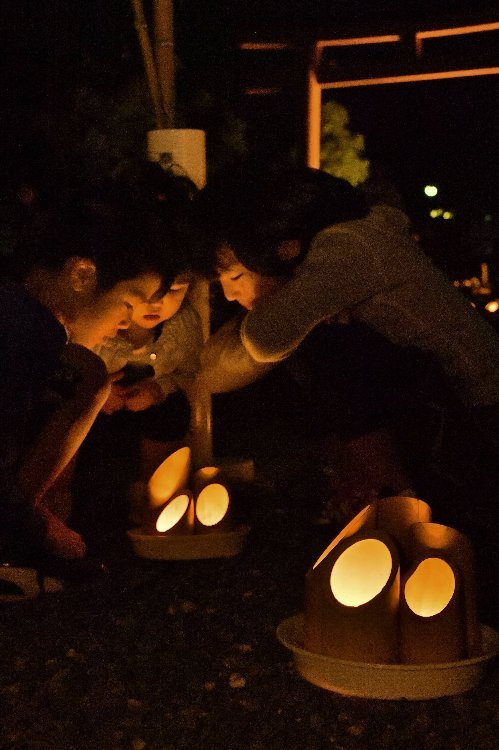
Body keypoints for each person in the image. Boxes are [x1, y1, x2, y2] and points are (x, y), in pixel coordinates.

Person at [193, 164, 499, 524]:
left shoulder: (350, 246)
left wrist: (292, 314)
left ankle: (395, 503)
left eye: (236, 276)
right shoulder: (351, 240)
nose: (230, 294)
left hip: (478, 413)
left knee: (326, 348)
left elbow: (262, 340)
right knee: (301, 358)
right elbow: (219, 366)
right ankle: (364, 486)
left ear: (283, 246)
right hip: (447, 406)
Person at [0, 189, 175, 581]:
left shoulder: (20, 315)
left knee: (87, 370)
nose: (127, 324)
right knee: (89, 374)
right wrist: (40, 529)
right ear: (82, 275)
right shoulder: (26, 334)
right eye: (128, 304)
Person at [93, 266, 202, 483]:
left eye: (173, 290)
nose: (156, 302)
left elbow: (188, 372)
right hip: (96, 407)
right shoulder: (97, 319)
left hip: (153, 407)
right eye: (146, 290)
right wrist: (98, 392)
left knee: (173, 412)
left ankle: (157, 491)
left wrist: (159, 390)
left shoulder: (183, 324)